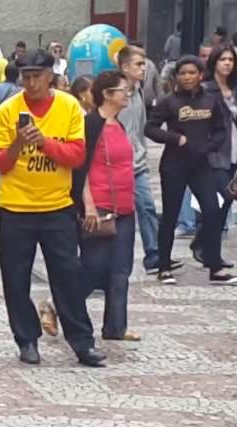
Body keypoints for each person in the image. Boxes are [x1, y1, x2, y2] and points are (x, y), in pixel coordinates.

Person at [0, 48, 105, 368]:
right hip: (15, 207)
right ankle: (26, 339)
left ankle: (82, 342)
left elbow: (76, 157)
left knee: (67, 276)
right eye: (25, 77)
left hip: (57, 207)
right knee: (15, 279)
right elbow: (0, 163)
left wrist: (43, 142)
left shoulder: (69, 107)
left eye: (36, 77)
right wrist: (17, 143)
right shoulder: (7, 110)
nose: (30, 83)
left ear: (50, 76)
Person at [145, 56, 237, 285]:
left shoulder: (211, 101)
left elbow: (220, 130)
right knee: (170, 215)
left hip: (201, 165)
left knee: (212, 211)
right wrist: (174, 138)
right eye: (183, 73)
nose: (187, 77)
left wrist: (209, 146)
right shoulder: (168, 102)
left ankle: (215, 266)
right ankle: (164, 267)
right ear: (176, 76)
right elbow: (150, 128)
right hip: (174, 165)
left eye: (191, 73)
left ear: (200, 75)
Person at [75, 71, 140, 342]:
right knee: (94, 266)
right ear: (107, 94)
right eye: (123, 90)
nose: (128, 94)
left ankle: (116, 327)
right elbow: (81, 168)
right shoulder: (91, 124)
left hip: (125, 205)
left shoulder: (119, 124)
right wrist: (88, 205)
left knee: (121, 269)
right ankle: (59, 306)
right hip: (99, 205)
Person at [117, 45, 177, 276]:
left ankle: (153, 255)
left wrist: (140, 150)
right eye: (138, 64)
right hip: (118, 165)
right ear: (124, 66)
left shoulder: (140, 91)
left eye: (144, 63)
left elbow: (140, 127)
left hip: (137, 162)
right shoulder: (115, 93)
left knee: (147, 207)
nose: (144, 68)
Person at [198, 45, 237, 267]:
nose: (227, 63)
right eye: (223, 59)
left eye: (231, 60)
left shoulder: (236, 91)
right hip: (214, 154)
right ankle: (209, 251)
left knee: (226, 204)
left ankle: (205, 247)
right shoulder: (206, 89)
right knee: (224, 197)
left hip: (235, 152)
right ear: (214, 63)